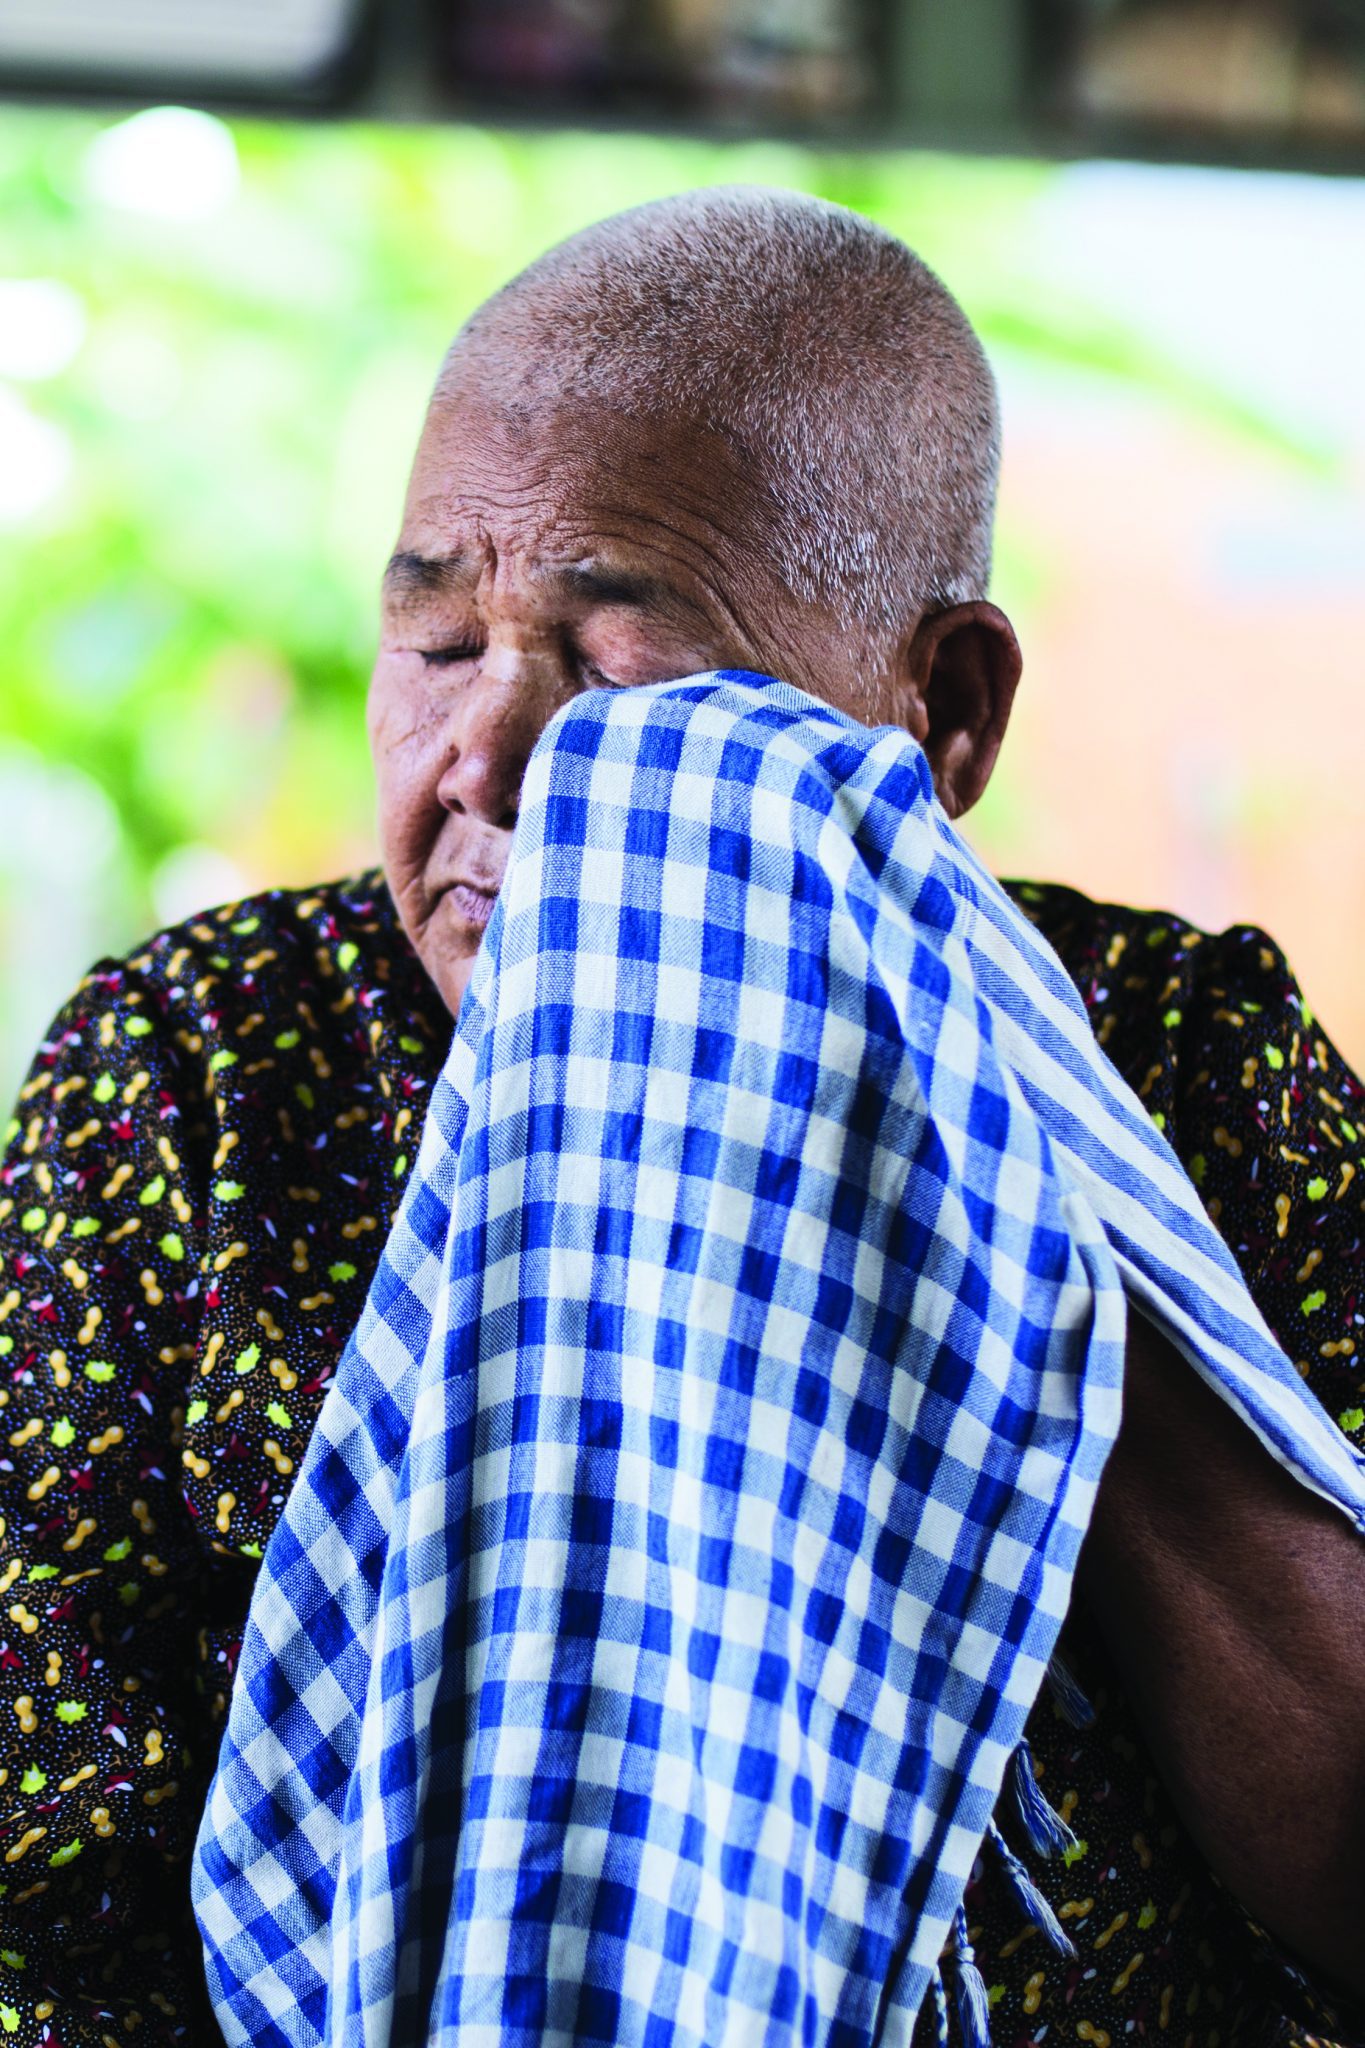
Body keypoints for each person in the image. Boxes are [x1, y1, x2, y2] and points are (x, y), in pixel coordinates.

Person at [0, 187, 1361, 2046]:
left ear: (936, 715)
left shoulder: (1180, 1059)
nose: (480, 753)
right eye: (437, 642)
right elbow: (42, 1908)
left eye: (611, 651)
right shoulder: (209, 1081)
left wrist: (1025, 1205)